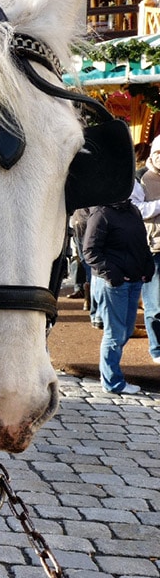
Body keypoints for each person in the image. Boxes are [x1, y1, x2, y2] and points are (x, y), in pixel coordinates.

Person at [83, 199, 155, 395]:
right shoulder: (101, 213)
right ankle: (112, 381)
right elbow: (90, 251)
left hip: (133, 280)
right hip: (114, 284)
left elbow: (142, 244)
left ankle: (110, 375)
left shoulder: (132, 210)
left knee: (124, 332)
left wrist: (147, 267)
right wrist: (113, 275)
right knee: (115, 334)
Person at [131, 136, 160, 364]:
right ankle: (157, 349)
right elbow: (136, 210)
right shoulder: (140, 178)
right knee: (155, 304)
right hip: (154, 249)